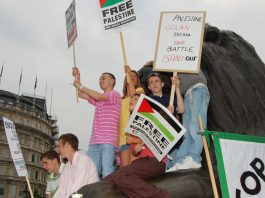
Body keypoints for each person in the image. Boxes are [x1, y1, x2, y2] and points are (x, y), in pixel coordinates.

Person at [104, 93, 170, 198]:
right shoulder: (133, 127)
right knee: (107, 180)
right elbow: (134, 151)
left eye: (135, 99)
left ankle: (160, 195)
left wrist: (133, 140)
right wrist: (136, 148)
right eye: (131, 99)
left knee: (120, 176)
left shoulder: (151, 118)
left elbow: (160, 135)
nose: (131, 100)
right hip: (140, 162)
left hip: (155, 160)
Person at [72, 67, 121, 178]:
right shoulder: (99, 100)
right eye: (99, 79)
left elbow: (99, 96)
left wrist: (81, 85)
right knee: (91, 173)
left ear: (112, 82)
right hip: (94, 141)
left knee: (107, 171)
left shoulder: (114, 95)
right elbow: (80, 94)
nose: (101, 80)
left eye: (103, 78)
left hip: (108, 141)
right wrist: (77, 77)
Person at [166, 70, 210, 172]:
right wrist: (176, 86)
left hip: (197, 88)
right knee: (187, 131)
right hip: (186, 94)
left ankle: (194, 158)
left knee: (196, 125)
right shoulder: (176, 71)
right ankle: (181, 160)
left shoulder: (188, 59)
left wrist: (152, 62)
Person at [54, 133, 98, 198]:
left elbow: (78, 190)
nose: (58, 150)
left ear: (67, 145)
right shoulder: (66, 168)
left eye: (59, 146)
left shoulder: (83, 160)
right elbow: (61, 190)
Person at [119, 65, 144, 167]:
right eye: (130, 75)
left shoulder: (140, 91)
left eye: (134, 76)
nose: (132, 77)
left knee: (134, 166)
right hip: (122, 138)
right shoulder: (120, 100)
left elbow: (133, 95)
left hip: (134, 135)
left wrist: (128, 74)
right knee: (123, 169)